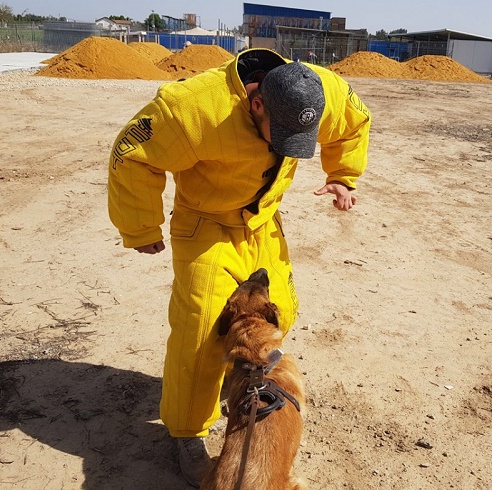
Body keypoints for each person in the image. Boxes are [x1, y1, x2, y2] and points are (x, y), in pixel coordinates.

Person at [108, 47, 371, 487]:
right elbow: (131, 152)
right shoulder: (191, 109)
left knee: (278, 312)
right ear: (257, 103)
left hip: (263, 222)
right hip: (206, 223)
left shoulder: (324, 91)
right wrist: (139, 226)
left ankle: (247, 391)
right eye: (278, 133)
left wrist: (344, 174)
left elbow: (355, 123)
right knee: (201, 329)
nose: (285, 147)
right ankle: (188, 431)